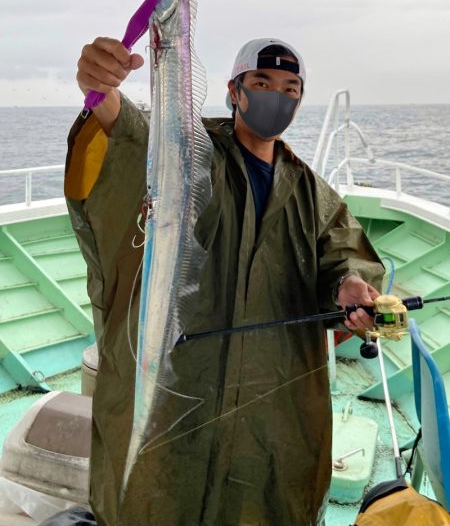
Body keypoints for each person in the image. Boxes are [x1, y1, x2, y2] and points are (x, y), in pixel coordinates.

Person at [59, 37, 384, 526]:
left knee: (263, 497)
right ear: (235, 91)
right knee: (158, 494)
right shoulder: (188, 153)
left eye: (290, 87)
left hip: (271, 402)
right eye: (262, 83)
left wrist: (351, 287)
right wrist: (99, 89)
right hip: (178, 386)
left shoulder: (311, 191)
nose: (278, 95)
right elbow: (129, 133)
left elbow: (343, 255)